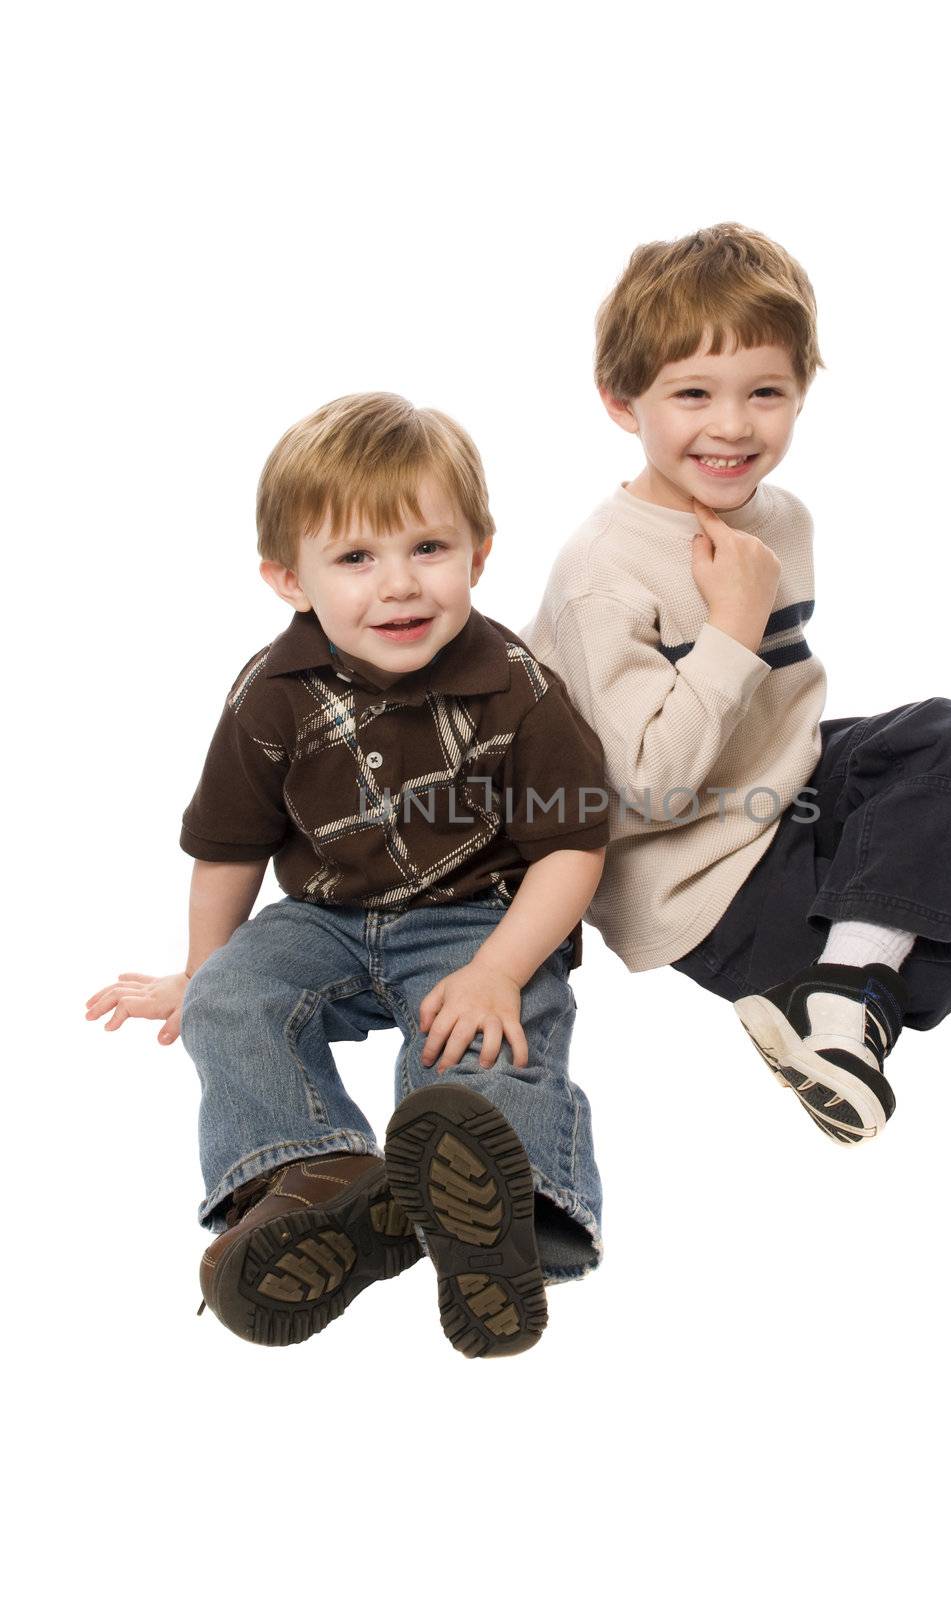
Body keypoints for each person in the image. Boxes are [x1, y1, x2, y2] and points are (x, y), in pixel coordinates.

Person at [85, 392, 609, 1356]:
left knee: (489, 1033)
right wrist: (202, 970)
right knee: (232, 996)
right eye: (357, 558)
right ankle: (309, 1179)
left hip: (472, 917)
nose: (400, 586)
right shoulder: (270, 695)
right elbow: (231, 848)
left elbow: (572, 847)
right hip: (322, 916)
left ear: (479, 554)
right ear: (290, 578)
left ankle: (503, 1216)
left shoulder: (520, 688)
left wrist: (500, 965)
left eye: (428, 549)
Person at [523, 222, 951, 1145]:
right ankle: (841, 991)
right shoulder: (603, 570)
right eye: (692, 394)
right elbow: (652, 787)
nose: (732, 425)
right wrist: (733, 625)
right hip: (688, 865)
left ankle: (836, 996)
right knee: (926, 939)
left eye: (765, 393)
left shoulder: (781, 518)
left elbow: (782, 712)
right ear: (621, 402)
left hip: (785, 785)